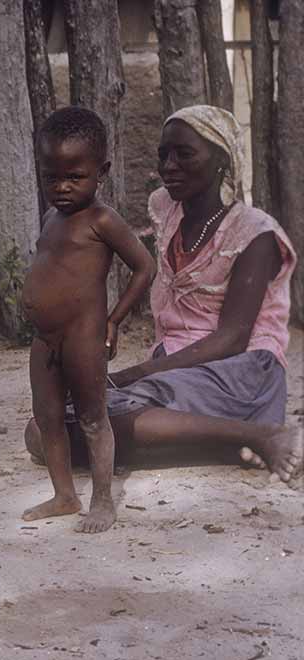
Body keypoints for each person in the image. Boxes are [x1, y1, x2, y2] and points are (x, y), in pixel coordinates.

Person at [24, 105, 302, 486]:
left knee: (85, 424)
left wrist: (135, 373)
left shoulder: (256, 234)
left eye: (184, 154)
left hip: (240, 373)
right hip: (177, 366)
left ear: (222, 158)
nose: (169, 165)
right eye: (163, 154)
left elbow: (232, 338)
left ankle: (261, 434)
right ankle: (219, 442)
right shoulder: (166, 209)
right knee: (41, 430)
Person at [20, 107, 156, 533]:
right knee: (46, 417)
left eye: (74, 177)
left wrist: (113, 321)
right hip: (45, 339)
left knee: (93, 418)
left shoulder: (102, 220)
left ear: (102, 171)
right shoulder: (49, 218)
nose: (61, 187)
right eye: (51, 176)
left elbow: (144, 267)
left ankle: (102, 501)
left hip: (83, 335)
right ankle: (64, 495)